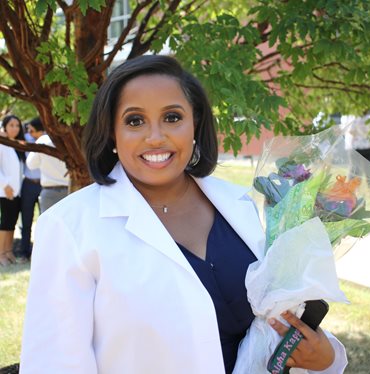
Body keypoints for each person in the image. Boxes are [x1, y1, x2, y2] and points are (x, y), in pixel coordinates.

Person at [20, 55, 346, 373]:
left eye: (172, 117)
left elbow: (275, 314)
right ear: (111, 134)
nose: (156, 136)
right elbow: (54, 364)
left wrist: (325, 356)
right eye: (135, 121)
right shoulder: (68, 228)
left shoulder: (239, 203)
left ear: (196, 124)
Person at [17, 118, 45, 262]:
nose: (29, 132)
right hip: (28, 184)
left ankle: (40, 254)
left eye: (32, 130)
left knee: (44, 220)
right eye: (28, 130)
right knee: (26, 220)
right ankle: (23, 252)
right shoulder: (26, 138)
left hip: (44, 185)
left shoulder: (47, 140)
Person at [0, 115, 25, 266]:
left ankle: (8, 251)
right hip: (5, 191)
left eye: (17, 125)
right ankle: (1, 254)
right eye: (11, 125)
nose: (15, 128)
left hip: (17, 191)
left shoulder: (16, 144)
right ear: (5, 126)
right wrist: (5, 185)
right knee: (5, 222)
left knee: (11, 222)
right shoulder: (2, 143)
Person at [26, 130, 69, 212]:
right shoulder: (72, 140)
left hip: (49, 192)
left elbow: (30, 164)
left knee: (47, 224)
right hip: (70, 191)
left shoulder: (43, 140)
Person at [341, 113, 370, 186]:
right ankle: (351, 188)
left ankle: (369, 187)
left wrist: (360, 131)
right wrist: (363, 132)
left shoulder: (369, 117)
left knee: (368, 169)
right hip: (355, 147)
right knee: (355, 169)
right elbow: (350, 131)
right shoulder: (351, 116)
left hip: (367, 146)